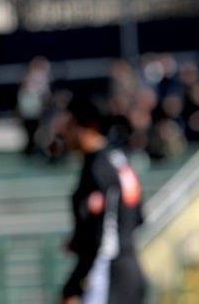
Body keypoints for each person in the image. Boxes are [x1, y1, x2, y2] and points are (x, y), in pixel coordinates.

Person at [60, 95, 146, 304]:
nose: (65, 132)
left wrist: (79, 278)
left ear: (88, 126)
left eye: (70, 125)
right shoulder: (117, 160)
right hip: (127, 266)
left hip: (107, 271)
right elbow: (137, 216)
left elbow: (105, 234)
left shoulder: (98, 168)